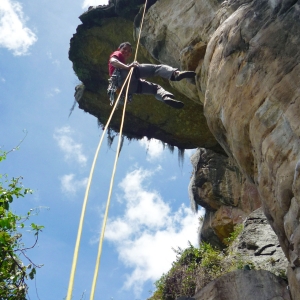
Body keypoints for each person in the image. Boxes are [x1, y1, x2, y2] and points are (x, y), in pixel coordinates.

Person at [108, 42, 196, 109]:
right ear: (119, 49)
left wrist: (139, 78)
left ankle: (166, 98)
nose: (126, 51)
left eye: (129, 51)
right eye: (124, 49)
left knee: (155, 89)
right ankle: (175, 74)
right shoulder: (117, 54)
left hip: (127, 88)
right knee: (156, 69)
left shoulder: (123, 63)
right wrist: (127, 67)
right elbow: (113, 61)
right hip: (122, 76)